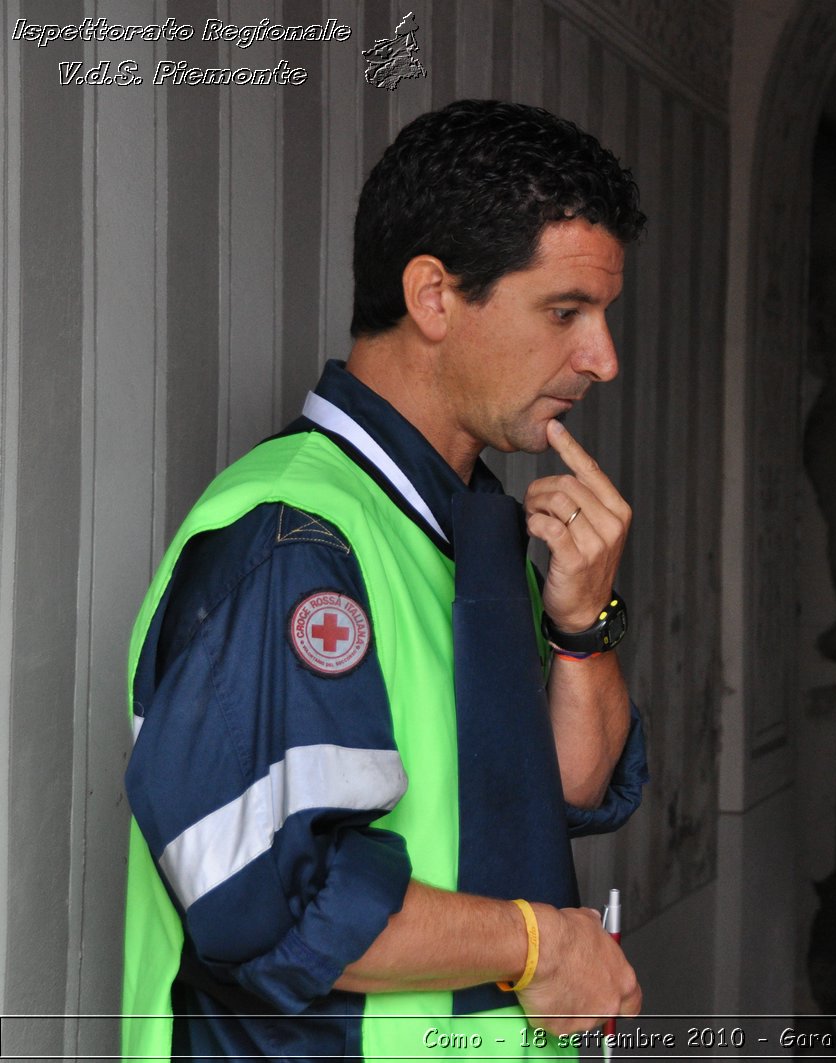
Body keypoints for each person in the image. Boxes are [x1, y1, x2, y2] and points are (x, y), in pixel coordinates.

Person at [122, 100, 649, 1060]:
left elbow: (563, 789)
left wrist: (583, 625)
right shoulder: (295, 539)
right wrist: (539, 944)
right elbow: (275, 899)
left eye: (603, 316)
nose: (601, 359)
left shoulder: (469, 526)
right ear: (434, 296)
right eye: (566, 311)